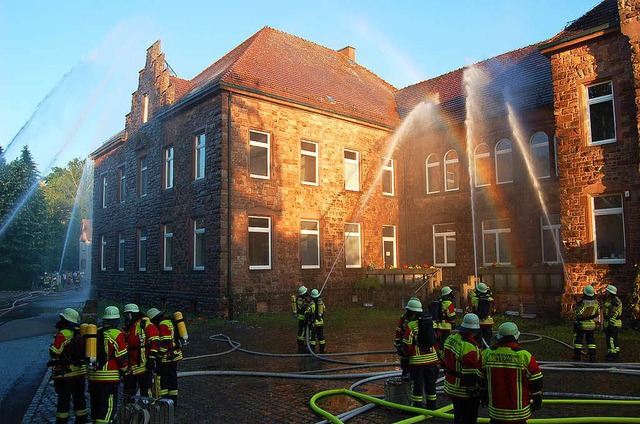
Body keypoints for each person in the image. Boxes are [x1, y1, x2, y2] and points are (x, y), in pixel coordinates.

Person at [478, 322, 543, 424]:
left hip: (496, 412)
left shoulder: (487, 354)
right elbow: (536, 382)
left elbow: (480, 379)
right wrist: (537, 401)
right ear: (516, 337)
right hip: (520, 413)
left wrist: (483, 394)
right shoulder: (525, 356)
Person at [88, 306, 128, 424]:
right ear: (116, 320)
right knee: (108, 407)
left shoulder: (96, 333)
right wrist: (125, 371)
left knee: (96, 406)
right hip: (108, 378)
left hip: (93, 376)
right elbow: (122, 357)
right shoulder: (116, 334)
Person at [49, 308, 88, 424]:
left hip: (65, 374)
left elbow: (55, 353)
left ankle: (62, 421)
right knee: (80, 399)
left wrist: (52, 345)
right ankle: (81, 420)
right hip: (79, 373)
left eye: (61, 318)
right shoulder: (79, 333)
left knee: (63, 401)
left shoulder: (63, 334)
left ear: (65, 320)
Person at [443, 313, 482, 424]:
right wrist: (474, 391)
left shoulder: (451, 338)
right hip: (463, 389)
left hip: (450, 385)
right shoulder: (470, 347)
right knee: (469, 417)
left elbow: (443, 359)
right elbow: (469, 375)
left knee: (458, 415)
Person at [402, 298, 439, 409]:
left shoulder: (411, 325)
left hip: (417, 362)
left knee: (417, 385)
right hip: (432, 360)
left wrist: (405, 354)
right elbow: (437, 341)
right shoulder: (432, 323)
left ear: (411, 313)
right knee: (430, 384)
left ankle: (416, 407)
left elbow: (407, 344)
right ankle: (432, 406)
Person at [122, 303, 159, 401]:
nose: (126, 318)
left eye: (127, 315)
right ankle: (130, 413)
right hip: (130, 368)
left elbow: (155, 342)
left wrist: (151, 359)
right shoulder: (127, 328)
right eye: (125, 315)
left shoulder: (146, 325)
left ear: (132, 314)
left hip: (144, 366)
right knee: (128, 394)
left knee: (146, 392)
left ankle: (149, 412)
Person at [147, 307, 183, 406]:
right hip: (175, 355)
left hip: (167, 357)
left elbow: (165, 342)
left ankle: (163, 400)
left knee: (161, 378)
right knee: (172, 377)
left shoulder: (162, 324)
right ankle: (173, 400)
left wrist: (158, 355)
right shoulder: (169, 321)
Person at [573, 284, 600, 362]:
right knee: (591, 340)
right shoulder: (596, 303)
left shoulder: (583, 303)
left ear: (584, 293)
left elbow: (578, 313)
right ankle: (592, 356)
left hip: (582, 324)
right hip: (591, 325)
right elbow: (597, 312)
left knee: (578, 340)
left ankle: (577, 356)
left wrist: (577, 305)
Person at [395, 297, 419, 380]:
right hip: (405, 342)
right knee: (405, 361)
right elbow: (398, 330)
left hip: (415, 347)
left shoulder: (421, 320)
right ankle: (406, 374)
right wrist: (398, 344)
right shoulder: (403, 318)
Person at [466, 282, 496, 348]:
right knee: (487, 340)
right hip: (488, 323)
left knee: (477, 340)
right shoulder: (491, 299)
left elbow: (470, 310)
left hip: (478, 323)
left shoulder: (474, 299)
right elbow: (493, 311)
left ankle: (478, 354)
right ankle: (486, 353)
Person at [433, 286, 457, 355]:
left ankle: (438, 354)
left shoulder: (439, 302)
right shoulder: (449, 304)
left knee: (439, 341)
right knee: (445, 341)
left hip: (438, 325)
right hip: (446, 327)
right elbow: (451, 316)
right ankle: (444, 355)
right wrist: (453, 324)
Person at [602, 285, 622, 361]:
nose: (606, 292)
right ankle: (611, 352)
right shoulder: (609, 300)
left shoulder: (615, 301)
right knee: (610, 339)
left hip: (613, 323)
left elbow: (615, 313)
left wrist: (610, 323)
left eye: (607, 291)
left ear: (610, 292)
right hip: (609, 322)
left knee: (612, 339)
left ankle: (613, 354)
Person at [294, 285, 315, 353]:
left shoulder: (301, 299)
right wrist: (308, 304)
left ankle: (302, 346)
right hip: (303, 318)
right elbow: (304, 308)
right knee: (303, 332)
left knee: (302, 333)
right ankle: (302, 346)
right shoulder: (301, 300)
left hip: (303, 318)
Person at [309, 289, 326, 353]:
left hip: (314, 322)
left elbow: (310, 311)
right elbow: (324, 310)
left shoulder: (312, 303)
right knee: (321, 336)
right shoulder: (321, 302)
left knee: (312, 337)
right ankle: (322, 349)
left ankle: (312, 350)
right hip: (320, 322)